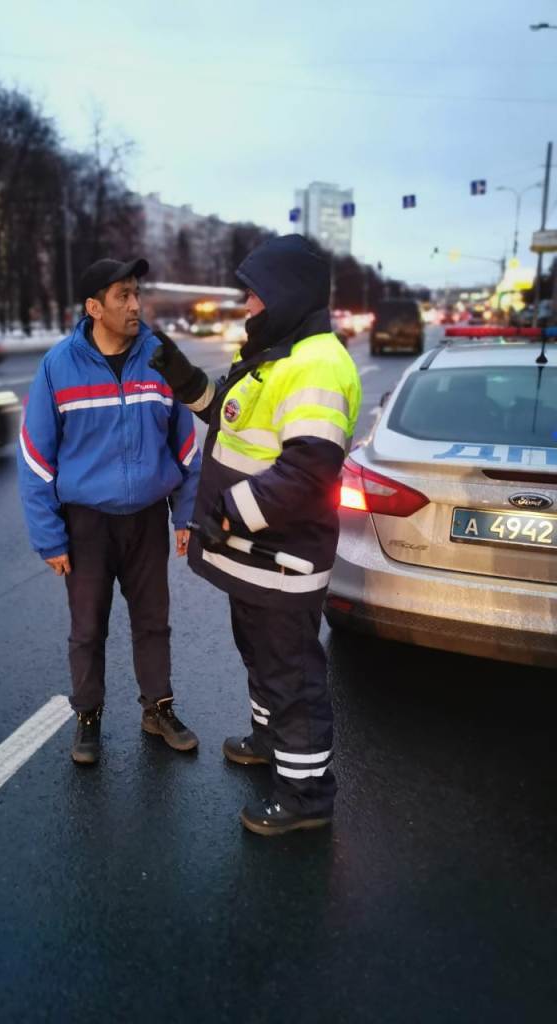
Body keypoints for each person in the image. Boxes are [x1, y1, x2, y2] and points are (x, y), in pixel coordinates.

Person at [150, 234, 362, 836]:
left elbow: (306, 471)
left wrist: (225, 514)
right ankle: (270, 742)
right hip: (255, 559)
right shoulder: (280, 353)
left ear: (286, 295)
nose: (246, 305)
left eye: (254, 295)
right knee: (263, 658)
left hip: (280, 558)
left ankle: (304, 797)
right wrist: (182, 375)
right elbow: (231, 415)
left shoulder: (317, 363)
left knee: (291, 676)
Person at [18, 257, 201, 764]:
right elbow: (35, 458)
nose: (135, 304)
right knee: (87, 627)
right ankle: (88, 717)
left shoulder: (159, 357)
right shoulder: (59, 366)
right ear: (94, 307)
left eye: (136, 293)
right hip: (87, 525)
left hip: (146, 518)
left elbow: (185, 444)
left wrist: (185, 515)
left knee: (153, 621)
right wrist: (49, 538)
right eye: (122, 295)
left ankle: (157, 708)